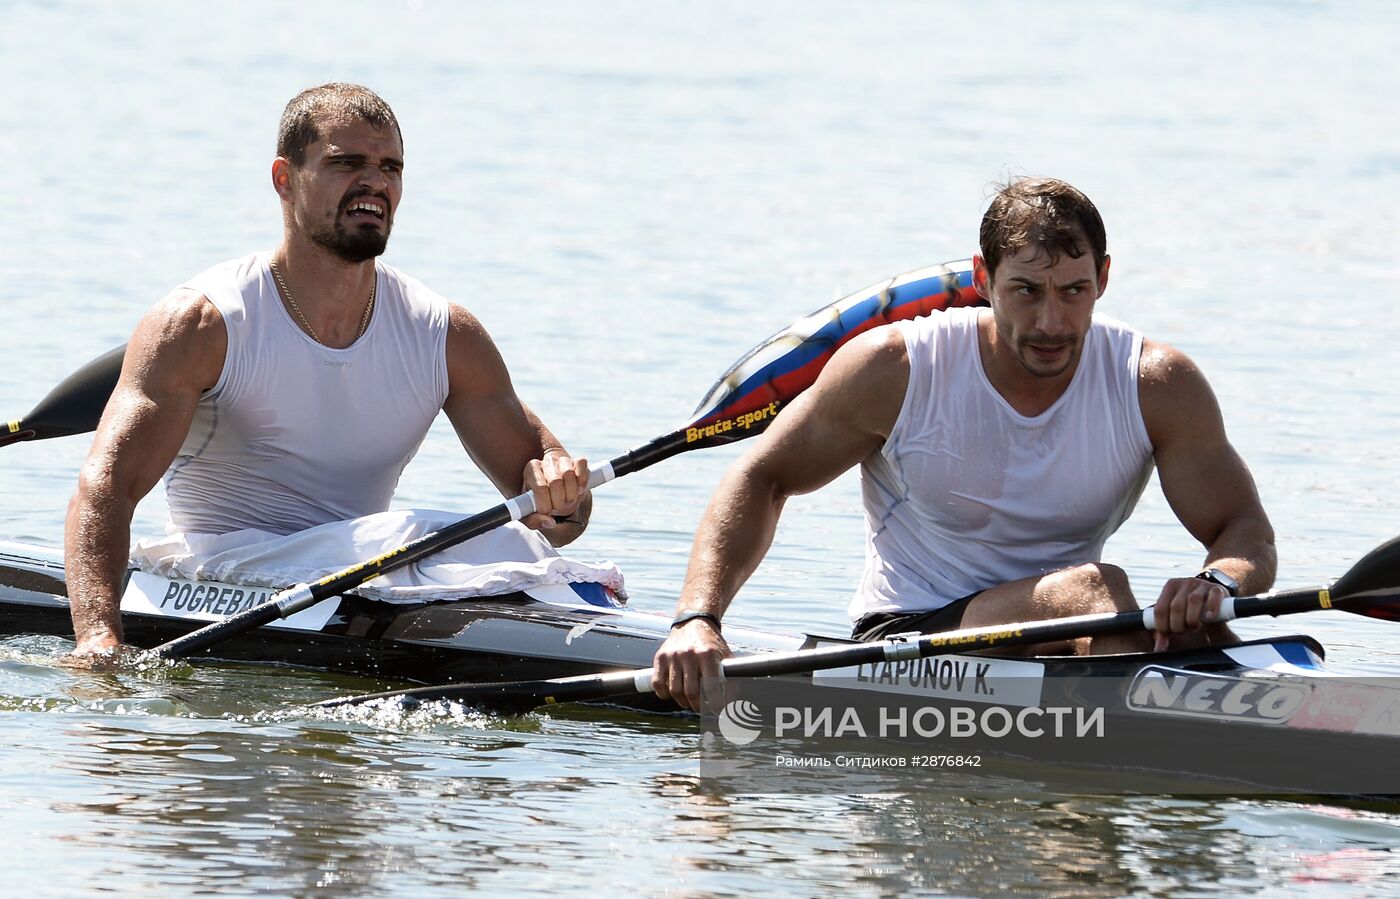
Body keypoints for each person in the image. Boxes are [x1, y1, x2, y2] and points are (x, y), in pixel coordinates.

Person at [653, 177, 1277, 711]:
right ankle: (1166, 738)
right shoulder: (895, 368)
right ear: (984, 278)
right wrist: (698, 619)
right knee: (1096, 591)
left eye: (1074, 291)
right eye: (1027, 290)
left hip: (1070, 632)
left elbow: (1244, 528)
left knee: (1187, 625)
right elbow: (762, 477)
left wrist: (1217, 583)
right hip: (909, 640)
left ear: (1104, 278)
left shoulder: (1156, 384)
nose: (1052, 323)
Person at [65, 83, 591, 659]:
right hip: (225, 569)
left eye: (391, 167)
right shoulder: (203, 323)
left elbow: (563, 519)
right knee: (443, 534)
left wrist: (560, 497)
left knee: (508, 537)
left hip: (366, 567)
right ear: (284, 180)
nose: (376, 182)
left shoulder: (447, 336)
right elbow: (105, 488)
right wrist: (98, 636)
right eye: (347, 163)